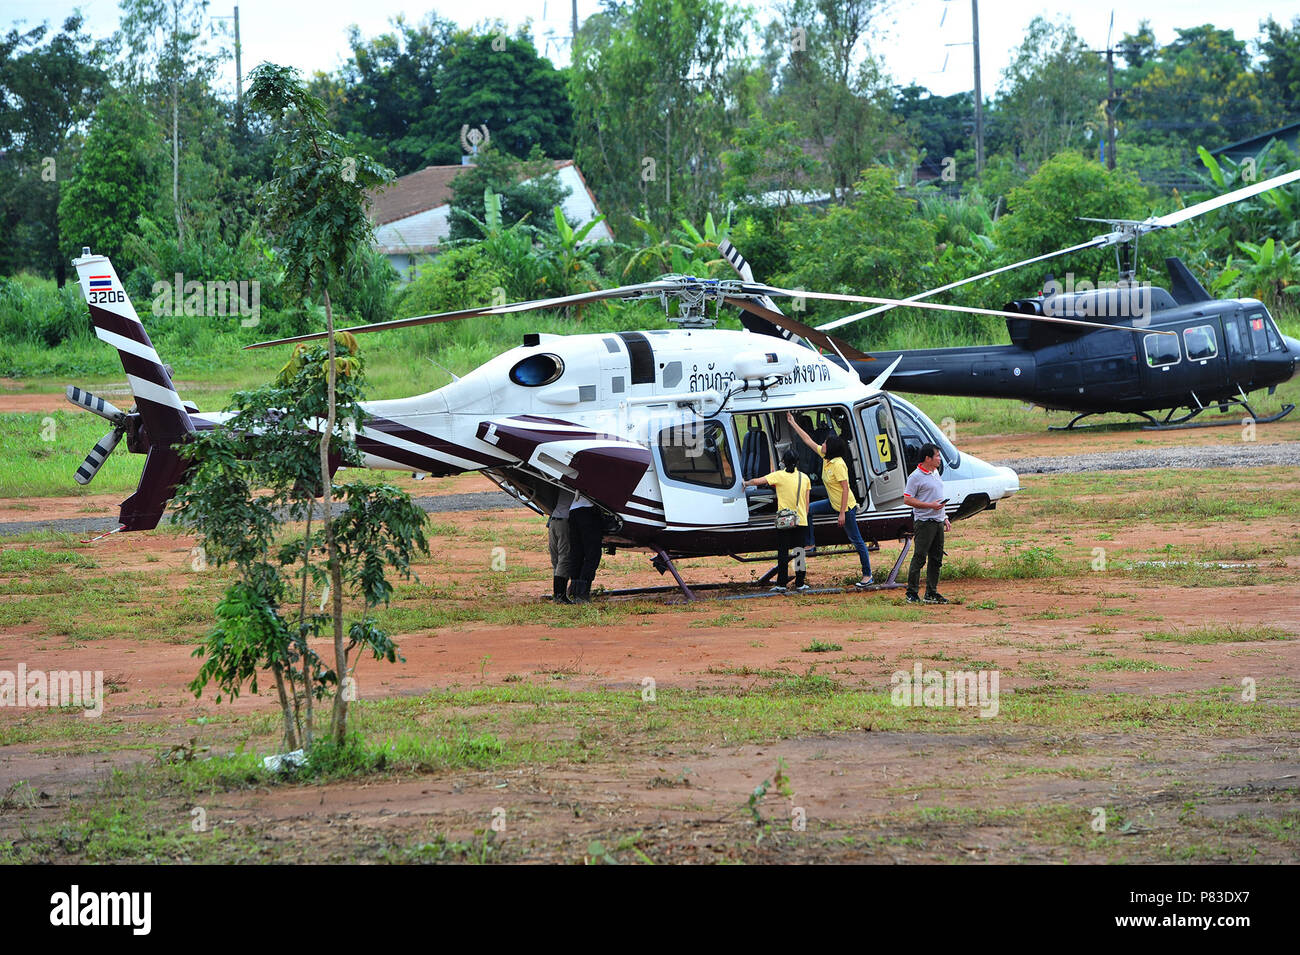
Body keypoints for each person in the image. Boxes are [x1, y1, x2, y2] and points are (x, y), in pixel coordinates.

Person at [787, 411, 873, 588]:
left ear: (831, 448)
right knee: (808, 509)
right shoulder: (826, 458)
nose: (822, 444)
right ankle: (810, 543)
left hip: (845, 506)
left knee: (856, 540)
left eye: (825, 443)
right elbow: (808, 441)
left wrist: (842, 513)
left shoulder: (838, 464)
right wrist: (793, 423)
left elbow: (845, 489)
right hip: (833, 502)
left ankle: (867, 574)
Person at [743, 449, 811, 592]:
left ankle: (781, 584)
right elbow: (807, 503)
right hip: (801, 520)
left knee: (783, 553)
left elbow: (758, 481)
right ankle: (800, 583)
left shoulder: (779, 476)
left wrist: (745, 483)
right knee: (799, 552)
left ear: (783, 462)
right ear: (797, 462)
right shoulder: (804, 478)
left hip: (785, 520)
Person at [902, 442, 951, 605]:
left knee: (936, 558)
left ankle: (931, 592)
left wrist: (944, 517)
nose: (939, 459)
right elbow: (907, 499)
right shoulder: (915, 477)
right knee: (920, 557)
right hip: (924, 522)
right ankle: (912, 592)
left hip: (937, 521)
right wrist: (931, 506)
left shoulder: (935, 472)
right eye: (937, 456)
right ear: (927, 458)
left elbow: (937, 496)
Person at [566, 491, 604, 603]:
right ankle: (582, 593)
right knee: (593, 554)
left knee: (577, 553)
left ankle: (574, 589)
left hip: (573, 510)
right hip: (588, 511)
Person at [547, 489, 576, 604]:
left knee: (556, 558)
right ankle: (560, 595)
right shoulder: (573, 485)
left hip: (553, 520)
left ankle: (557, 594)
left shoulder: (561, 484)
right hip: (565, 521)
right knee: (564, 558)